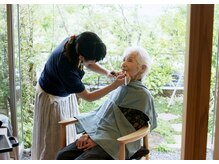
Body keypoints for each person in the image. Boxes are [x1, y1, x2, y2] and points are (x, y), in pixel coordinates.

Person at [31, 31, 127, 160]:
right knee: (53, 141)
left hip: (64, 92)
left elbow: (90, 63)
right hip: (51, 97)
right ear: (81, 57)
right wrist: (114, 86)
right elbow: (88, 97)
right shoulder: (65, 66)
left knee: (66, 137)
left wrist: (108, 73)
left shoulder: (77, 43)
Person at [56, 46, 158, 160]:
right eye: (123, 59)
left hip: (117, 144)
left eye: (129, 60)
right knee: (62, 156)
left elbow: (128, 129)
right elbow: (102, 115)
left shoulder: (143, 95)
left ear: (142, 68)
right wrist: (87, 134)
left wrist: (98, 141)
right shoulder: (120, 87)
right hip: (98, 135)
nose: (123, 64)